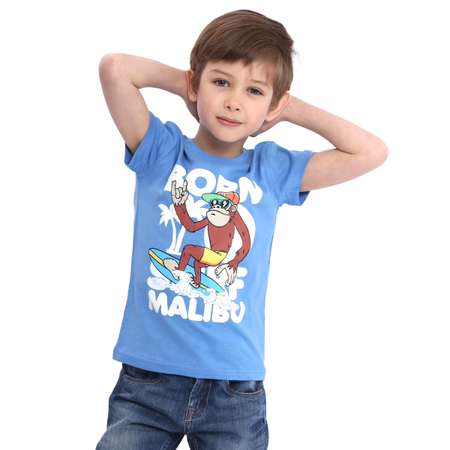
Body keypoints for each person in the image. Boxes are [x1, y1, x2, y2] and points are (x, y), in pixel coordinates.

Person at [96, 9, 388, 450]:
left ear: (273, 104)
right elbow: (115, 68)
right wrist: (190, 84)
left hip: (233, 391)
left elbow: (371, 151)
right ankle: (192, 271)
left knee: (199, 257)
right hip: (148, 383)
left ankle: (200, 270)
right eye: (221, 82)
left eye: (254, 91)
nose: (234, 101)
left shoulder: (270, 170)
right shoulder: (161, 151)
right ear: (196, 84)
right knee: (190, 254)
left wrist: (285, 109)